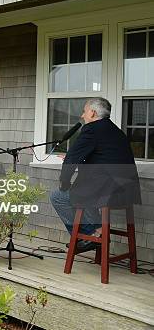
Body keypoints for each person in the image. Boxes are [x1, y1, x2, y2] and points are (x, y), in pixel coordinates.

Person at [50, 97, 141, 254]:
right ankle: (97, 230)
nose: (82, 116)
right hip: (127, 191)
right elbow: (105, 158)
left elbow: (71, 159)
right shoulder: (116, 131)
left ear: (92, 113)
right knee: (84, 191)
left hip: (106, 192)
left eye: (84, 112)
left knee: (59, 196)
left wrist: (64, 183)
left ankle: (90, 235)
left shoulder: (92, 129)